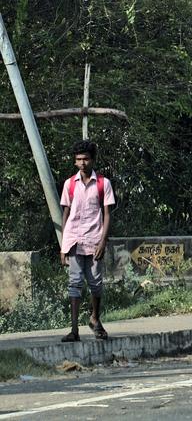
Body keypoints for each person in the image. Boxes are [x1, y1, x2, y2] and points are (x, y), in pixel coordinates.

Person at [59, 140, 115, 342]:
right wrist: (63, 245)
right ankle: (74, 330)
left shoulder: (103, 183)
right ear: (75, 162)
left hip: (94, 240)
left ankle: (94, 318)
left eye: (85, 159)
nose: (82, 163)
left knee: (96, 284)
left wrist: (102, 242)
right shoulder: (69, 184)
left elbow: (107, 214)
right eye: (78, 160)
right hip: (74, 240)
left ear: (92, 160)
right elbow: (65, 213)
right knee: (74, 283)